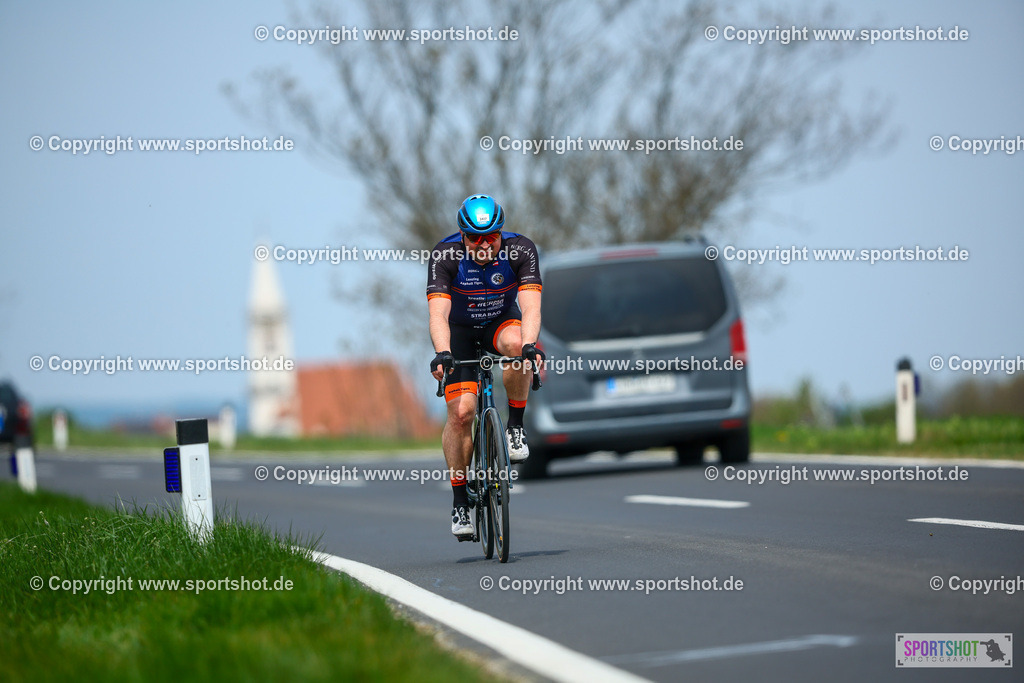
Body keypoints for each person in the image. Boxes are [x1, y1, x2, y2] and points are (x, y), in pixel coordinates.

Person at [427, 194, 545, 538]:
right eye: (474, 238)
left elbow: (531, 308)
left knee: (517, 346)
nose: (483, 244)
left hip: (500, 322)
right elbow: (438, 314)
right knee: (462, 413)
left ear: (501, 232)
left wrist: (529, 345)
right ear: (462, 235)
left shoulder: (521, 250)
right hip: (459, 332)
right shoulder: (445, 256)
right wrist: (442, 352)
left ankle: (515, 426)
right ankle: (460, 501)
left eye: (491, 236)